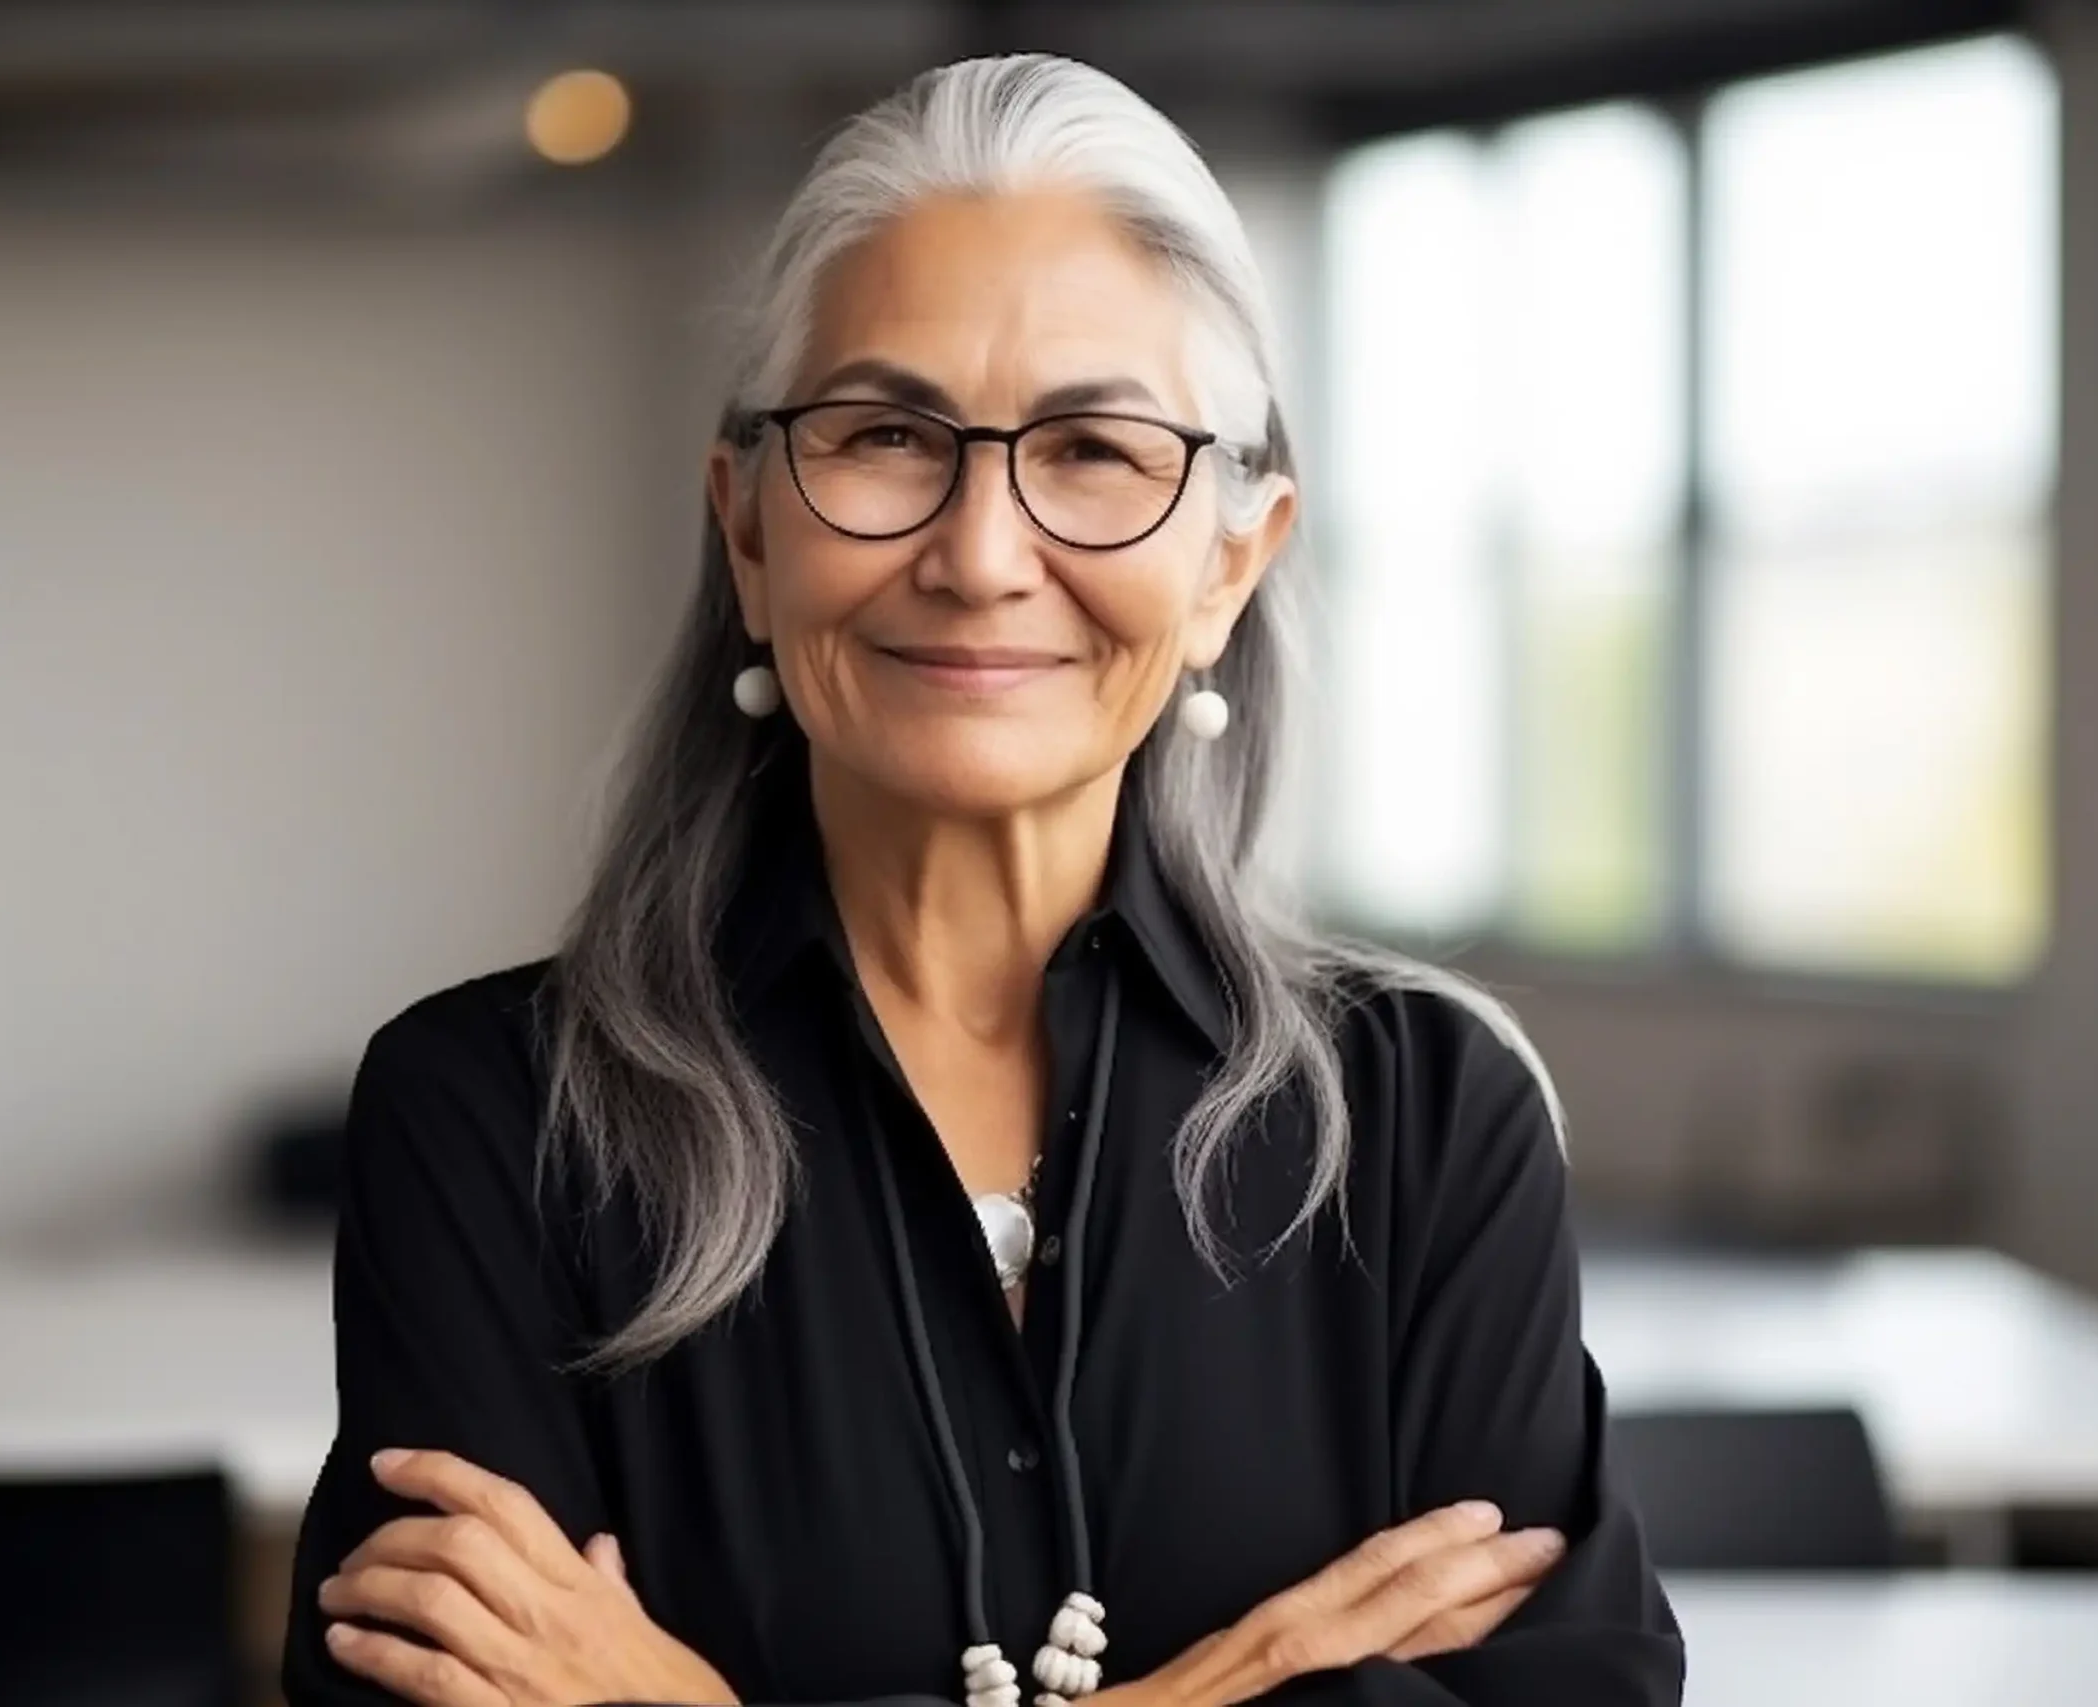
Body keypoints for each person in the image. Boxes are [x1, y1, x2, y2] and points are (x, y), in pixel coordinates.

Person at [283, 52, 1683, 1707]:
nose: (980, 551)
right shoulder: (490, 1121)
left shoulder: (1429, 1123)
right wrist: (1247, 1689)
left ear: (1232, 558)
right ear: (747, 530)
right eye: (886, 434)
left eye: (1093, 449)